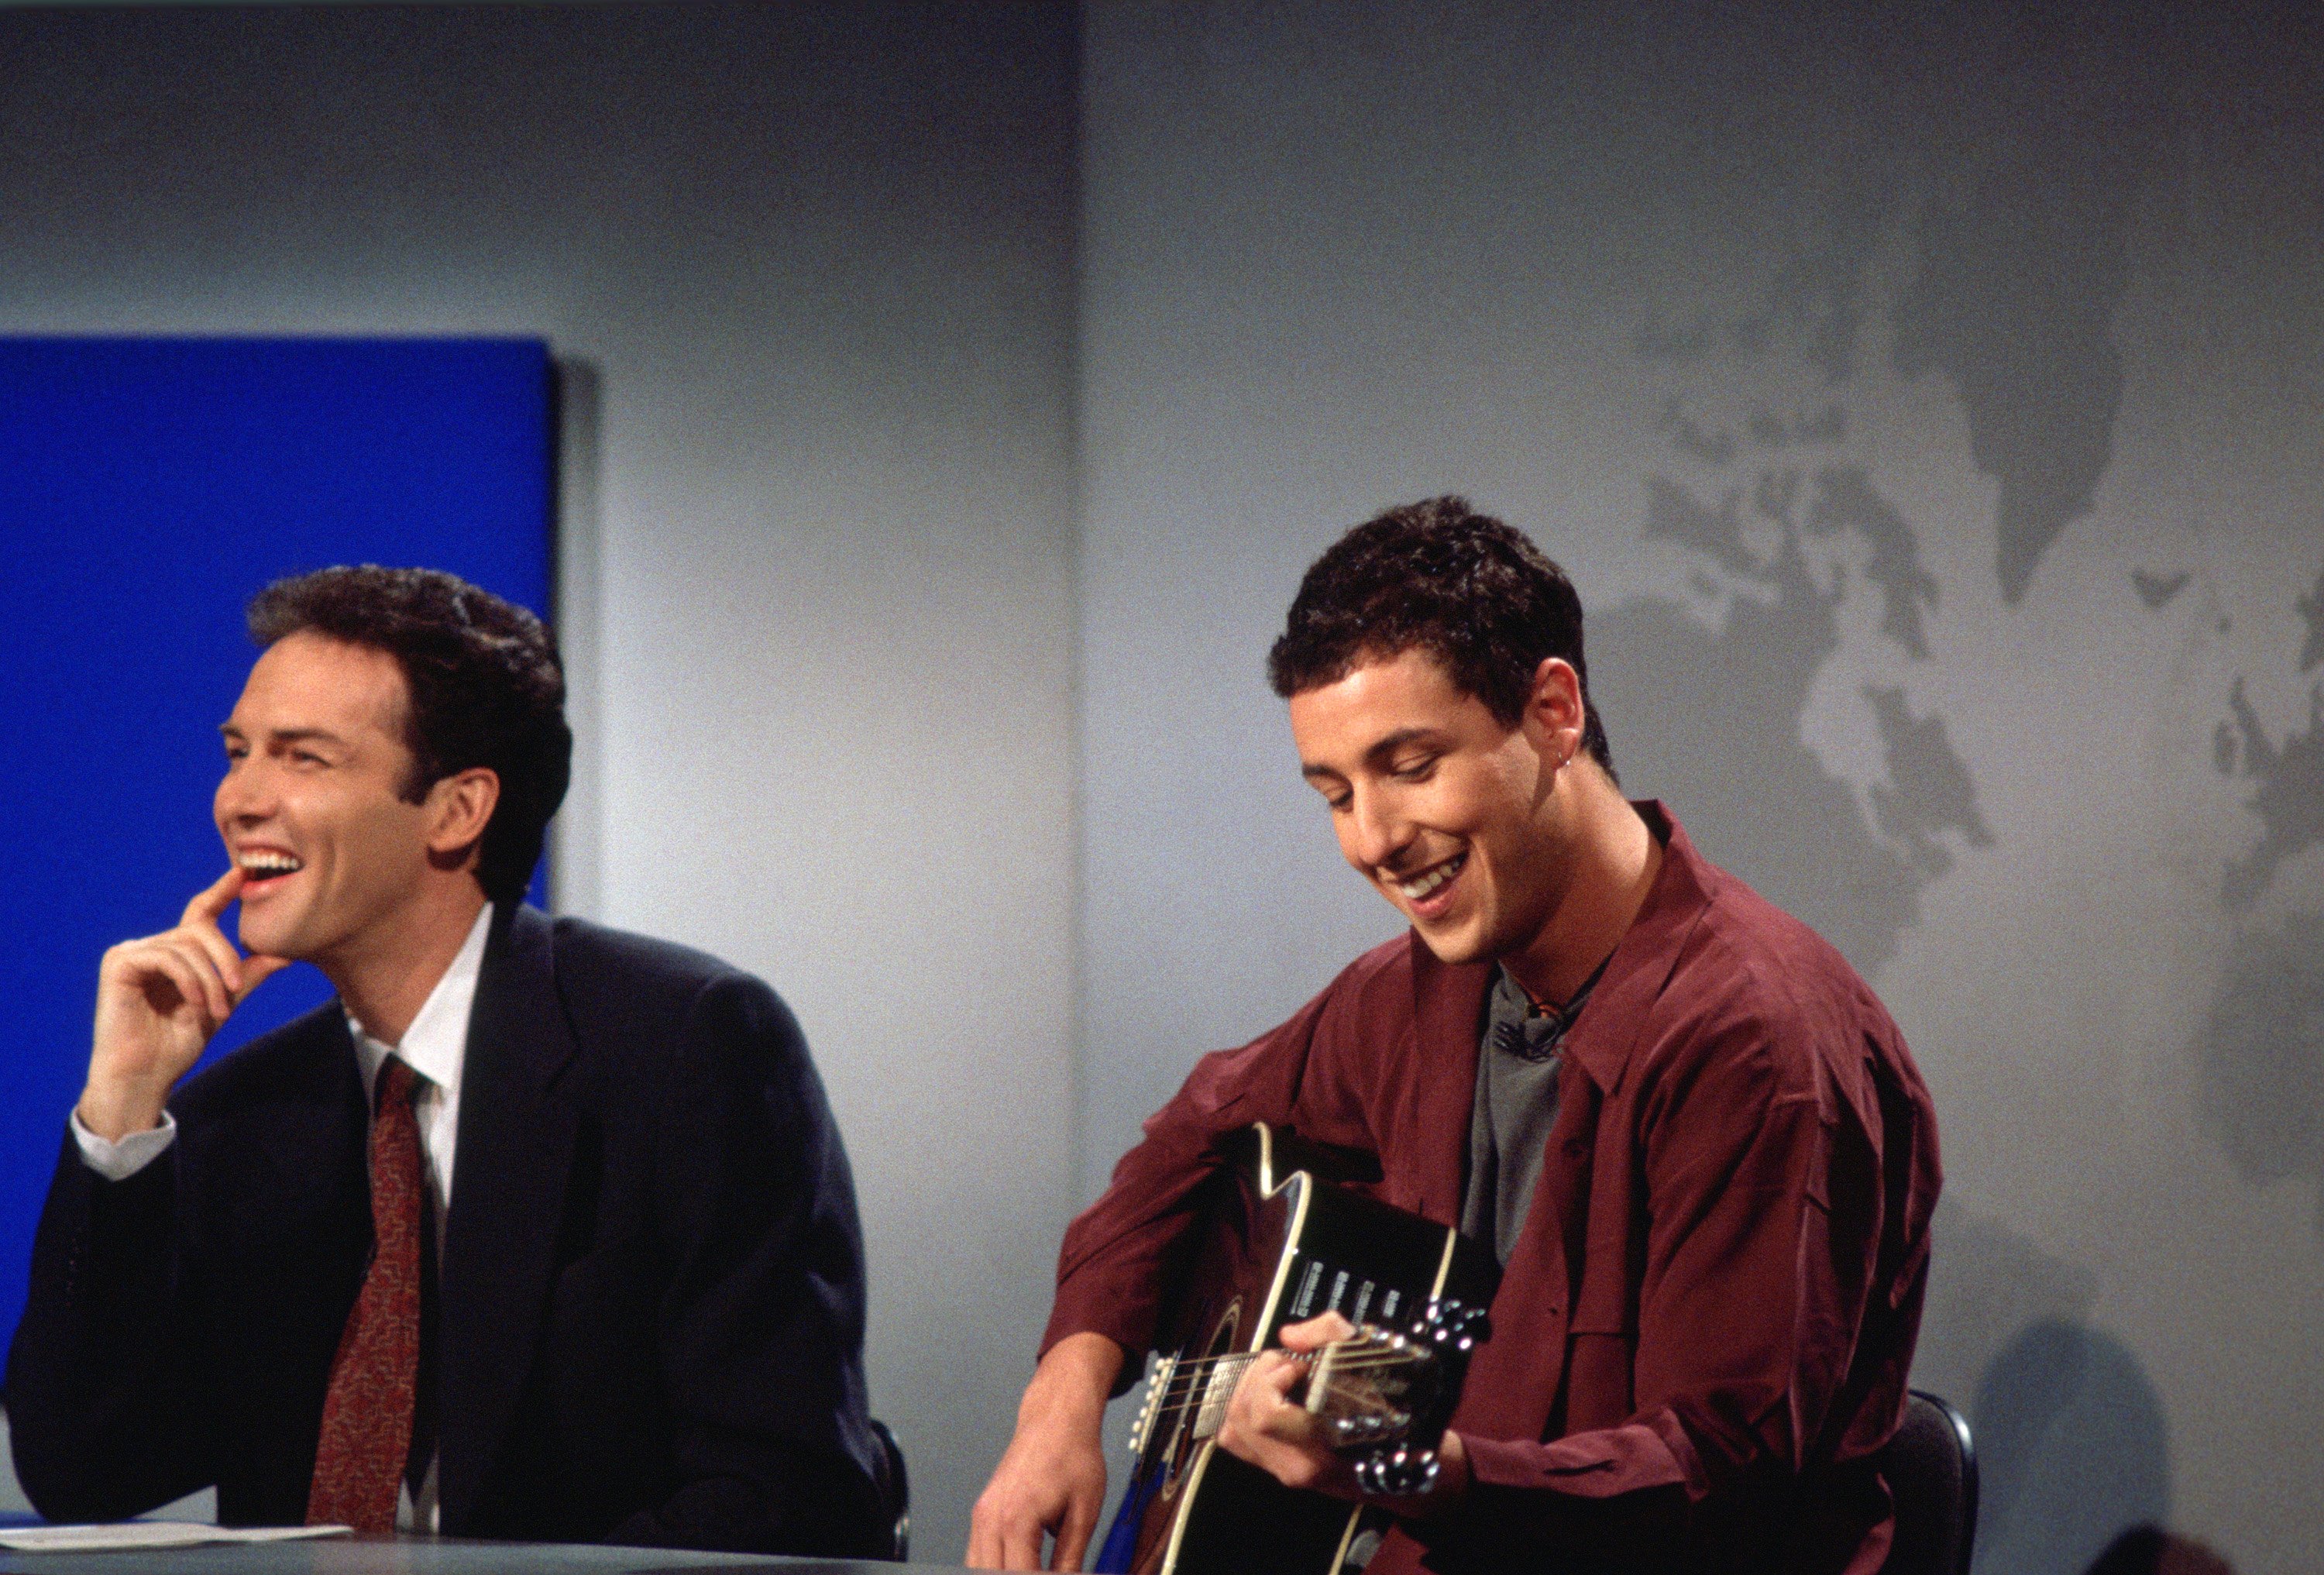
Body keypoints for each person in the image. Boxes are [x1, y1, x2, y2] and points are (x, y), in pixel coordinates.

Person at [969, 498, 1941, 1574]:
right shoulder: (1413, 995)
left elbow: (1712, 1477)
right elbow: (1190, 1137)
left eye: (1412, 764)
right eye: (1335, 793)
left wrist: (1403, 1465)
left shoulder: (1759, 1043)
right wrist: (1058, 1407)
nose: (1372, 839)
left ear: (1554, 711)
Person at [5, 566, 889, 1557]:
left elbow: (783, 1489)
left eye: (303, 758)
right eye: (237, 751)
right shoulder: (243, 1114)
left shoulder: (687, 1046)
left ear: (458, 809)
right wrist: (119, 1117)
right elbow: (85, 1466)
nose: (239, 798)